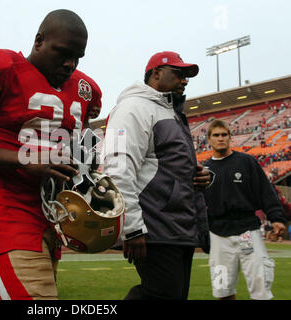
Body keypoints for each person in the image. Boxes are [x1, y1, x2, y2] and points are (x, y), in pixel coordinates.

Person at [0, 9, 101, 299]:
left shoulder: (83, 88)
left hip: (53, 216)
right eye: (63, 52)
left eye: (77, 56)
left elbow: (81, 147)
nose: (70, 63)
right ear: (39, 41)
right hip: (7, 213)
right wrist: (24, 159)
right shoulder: (4, 69)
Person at [101, 51, 211, 300]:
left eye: (186, 76)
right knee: (160, 294)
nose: (184, 80)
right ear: (155, 73)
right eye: (179, 73)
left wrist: (204, 176)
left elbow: (167, 167)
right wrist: (132, 228)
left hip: (176, 226)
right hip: (155, 225)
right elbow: (118, 167)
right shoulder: (133, 108)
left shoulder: (170, 112)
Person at [203, 119, 287, 300]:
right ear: (209, 139)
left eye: (224, 134)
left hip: (247, 230)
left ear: (230, 137)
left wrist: (277, 218)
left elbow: (266, 192)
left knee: (260, 288)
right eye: (216, 135)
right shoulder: (203, 170)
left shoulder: (246, 161)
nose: (220, 138)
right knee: (222, 290)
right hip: (218, 234)